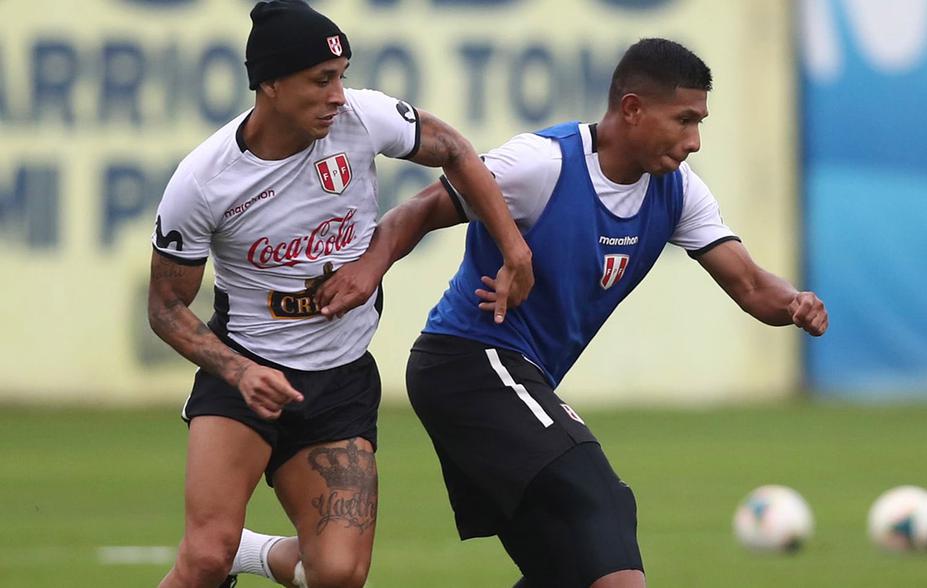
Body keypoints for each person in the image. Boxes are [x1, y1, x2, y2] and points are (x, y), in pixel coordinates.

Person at [305, 37, 829, 587]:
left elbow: (748, 283)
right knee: (600, 501)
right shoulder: (541, 164)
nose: (694, 141)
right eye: (684, 120)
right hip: (468, 364)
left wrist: (792, 302)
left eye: (699, 123)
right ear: (632, 108)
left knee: (574, 572)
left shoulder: (677, 193)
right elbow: (419, 209)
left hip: (515, 378)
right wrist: (369, 269)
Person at [146, 1, 532, 587]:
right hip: (248, 375)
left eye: (342, 76)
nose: (337, 94)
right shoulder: (204, 181)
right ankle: (225, 555)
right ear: (270, 84)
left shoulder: (362, 119)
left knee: (337, 575)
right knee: (203, 557)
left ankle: (249, 554)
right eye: (321, 79)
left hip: (339, 380)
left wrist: (514, 249)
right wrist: (237, 372)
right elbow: (166, 307)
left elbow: (454, 149)